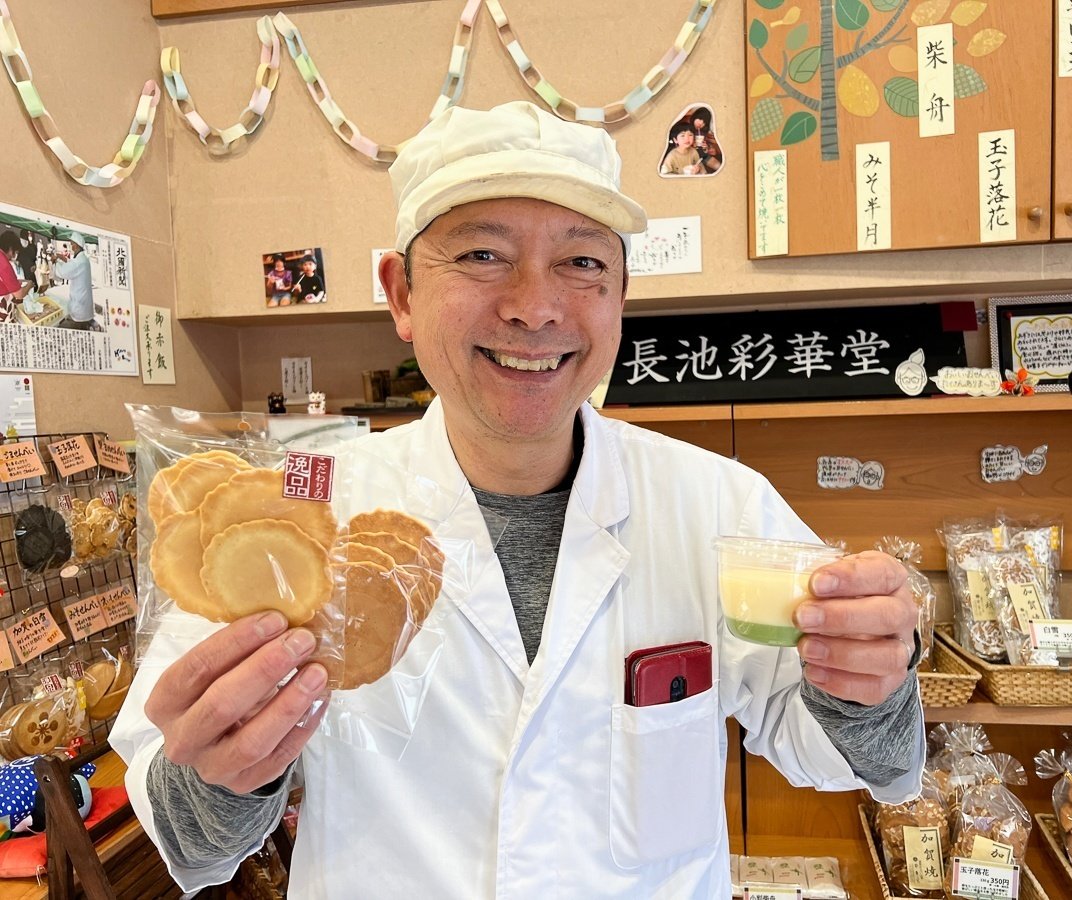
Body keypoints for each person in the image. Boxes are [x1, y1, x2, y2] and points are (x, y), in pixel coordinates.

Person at [111, 100, 922, 898]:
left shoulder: (716, 502)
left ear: (619, 298)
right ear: (400, 294)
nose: (535, 306)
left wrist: (874, 680)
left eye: (582, 263)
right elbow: (188, 840)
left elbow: (853, 761)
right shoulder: (301, 506)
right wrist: (224, 781)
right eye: (482, 256)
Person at [52, 231, 96, 330]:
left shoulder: (79, 262)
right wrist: (63, 259)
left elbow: (62, 272)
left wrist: (55, 261)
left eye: (71, 244)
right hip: (83, 304)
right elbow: (72, 265)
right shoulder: (83, 260)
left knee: (80, 330)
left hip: (80, 307)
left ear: (76, 246)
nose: (71, 246)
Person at [0, 231, 34, 325]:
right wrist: (29, 285)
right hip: (3, 308)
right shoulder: (4, 264)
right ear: (11, 248)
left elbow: (4, 281)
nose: (14, 255)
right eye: (15, 252)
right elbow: (19, 294)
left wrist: (20, 281)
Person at [690, 107, 724, 173]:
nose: (701, 123)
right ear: (694, 117)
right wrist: (692, 144)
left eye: (704, 122)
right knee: (703, 172)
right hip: (691, 156)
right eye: (700, 119)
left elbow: (705, 150)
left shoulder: (703, 133)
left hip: (703, 156)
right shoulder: (687, 129)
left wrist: (706, 148)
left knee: (719, 166)